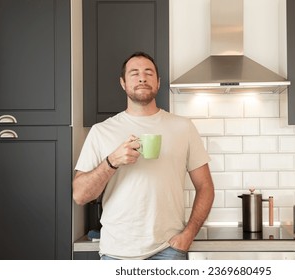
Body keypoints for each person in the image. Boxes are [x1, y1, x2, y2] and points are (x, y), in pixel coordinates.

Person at [73, 51, 215, 260]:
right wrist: (112, 162)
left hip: (169, 250)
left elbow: (206, 187)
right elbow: (80, 195)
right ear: (123, 83)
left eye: (149, 73)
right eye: (134, 73)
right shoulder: (101, 131)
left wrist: (188, 234)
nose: (142, 78)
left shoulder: (183, 127)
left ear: (158, 82)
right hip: (116, 253)